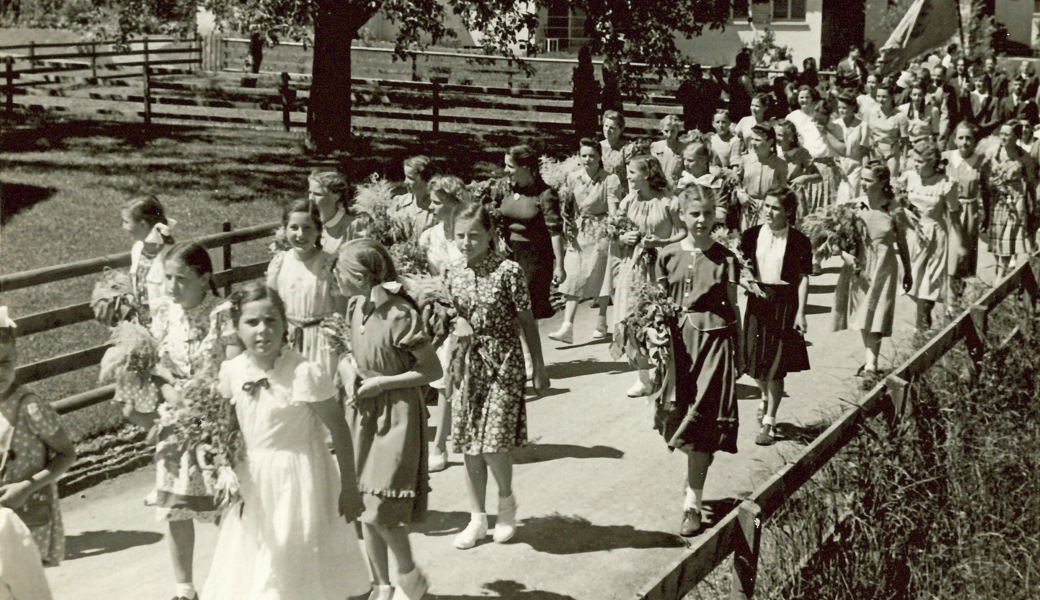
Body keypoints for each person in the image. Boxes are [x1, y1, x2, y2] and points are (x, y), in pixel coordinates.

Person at [201, 283, 371, 600]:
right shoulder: (232, 371)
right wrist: (221, 466)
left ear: (284, 325)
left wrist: (350, 486)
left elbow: (339, 429)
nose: (262, 330)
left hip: (302, 479)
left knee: (297, 562)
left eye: (271, 321)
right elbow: (224, 425)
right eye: (252, 323)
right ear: (237, 328)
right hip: (254, 480)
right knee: (258, 560)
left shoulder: (304, 372)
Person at [333, 239, 442, 600]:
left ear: (363, 278)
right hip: (361, 417)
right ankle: (382, 585)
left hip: (396, 419)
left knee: (383, 510)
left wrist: (382, 383)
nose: (335, 276)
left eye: (341, 271)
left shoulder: (398, 314)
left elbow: (430, 369)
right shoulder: (355, 307)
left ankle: (410, 578)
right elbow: (356, 353)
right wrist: (349, 368)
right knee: (364, 509)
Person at [445, 203, 548, 549]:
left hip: (504, 360)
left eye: (474, 235)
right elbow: (447, 318)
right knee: (469, 444)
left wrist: (539, 366)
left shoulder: (509, 271)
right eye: (460, 236)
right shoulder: (452, 272)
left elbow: (527, 321)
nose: (466, 242)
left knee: (493, 441)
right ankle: (477, 519)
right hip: (468, 363)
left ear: (490, 234)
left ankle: (506, 504)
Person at [149, 242, 240, 600]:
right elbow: (155, 363)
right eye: (168, 278)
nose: (172, 287)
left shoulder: (222, 313)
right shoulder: (163, 313)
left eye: (181, 279)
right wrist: (171, 392)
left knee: (223, 497)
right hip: (175, 417)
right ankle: (184, 588)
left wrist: (202, 398)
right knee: (175, 503)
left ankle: (235, 576)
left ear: (205, 278)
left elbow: (233, 362)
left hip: (213, 418)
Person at [649, 186, 741, 536]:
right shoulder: (667, 255)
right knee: (677, 416)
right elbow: (655, 307)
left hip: (715, 344)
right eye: (694, 214)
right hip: (677, 348)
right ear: (683, 215)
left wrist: (742, 353)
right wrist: (652, 341)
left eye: (708, 213)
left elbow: (734, 309)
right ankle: (694, 480)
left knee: (702, 420)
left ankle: (692, 503)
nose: (701, 220)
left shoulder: (726, 258)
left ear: (716, 214)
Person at [0, 308, 77, 568]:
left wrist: (26, 487)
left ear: (16, 356)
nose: (0, 371)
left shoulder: (29, 406)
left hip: (28, 514)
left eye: (5, 362)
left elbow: (67, 454)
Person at [738, 188, 812, 446]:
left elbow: (803, 278)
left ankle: (769, 423)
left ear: (788, 211)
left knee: (775, 369)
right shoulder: (750, 236)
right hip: (758, 303)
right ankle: (765, 396)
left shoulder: (800, 241)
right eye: (767, 206)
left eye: (775, 208)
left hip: (784, 306)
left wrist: (801, 312)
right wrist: (746, 282)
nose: (768, 212)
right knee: (757, 364)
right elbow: (740, 269)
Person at [611, 155, 686, 398]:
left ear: (646, 175)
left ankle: (666, 375)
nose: (628, 177)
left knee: (659, 321)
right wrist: (623, 238)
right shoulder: (628, 202)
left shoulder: (668, 201)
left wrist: (662, 241)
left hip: (660, 268)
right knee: (632, 319)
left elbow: (683, 232)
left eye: (632, 172)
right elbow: (617, 231)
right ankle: (642, 377)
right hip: (633, 267)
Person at [832, 160, 913, 377]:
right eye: (863, 179)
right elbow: (841, 241)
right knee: (864, 314)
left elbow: (902, 242)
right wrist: (846, 257)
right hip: (860, 267)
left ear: (882, 182)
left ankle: (871, 364)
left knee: (877, 313)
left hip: (884, 268)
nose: (864, 184)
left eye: (869, 180)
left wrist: (908, 271)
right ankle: (870, 361)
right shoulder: (856, 206)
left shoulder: (894, 208)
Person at [549, 138, 622, 345]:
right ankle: (567, 326)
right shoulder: (573, 178)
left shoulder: (610, 179)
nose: (588, 159)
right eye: (584, 155)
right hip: (578, 231)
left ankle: (601, 322)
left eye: (592, 156)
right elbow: (568, 206)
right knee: (573, 275)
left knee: (601, 274)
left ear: (600, 158)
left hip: (601, 230)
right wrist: (567, 224)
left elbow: (613, 207)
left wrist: (612, 226)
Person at [419, 175, 467, 473]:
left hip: (468, 311)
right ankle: (435, 443)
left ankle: (442, 444)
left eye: (437, 202)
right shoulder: (428, 237)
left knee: (454, 376)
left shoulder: (469, 232)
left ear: (453, 203)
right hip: (439, 314)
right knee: (441, 377)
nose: (431, 206)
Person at [266, 200, 344, 379]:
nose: (301, 234)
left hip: (323, 345)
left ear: (318, 230)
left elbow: (342, 312)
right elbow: (270, 307)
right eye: (294, 227)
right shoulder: (279, 263)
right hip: (288, 342)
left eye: (307, 227)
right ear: (284, 230)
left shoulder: (330, 264)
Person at [493, 145, 566, 332]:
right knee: (510, 308)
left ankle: (531, 357)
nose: (506, 170)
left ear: (525, 167)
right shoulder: (506, 189)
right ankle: (524, 355)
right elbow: (498, 217)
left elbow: (555, 231)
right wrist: (500, 239)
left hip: (535, 257)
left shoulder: (545, 194)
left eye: (511, 166)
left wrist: (560, 265)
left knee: (527, 310)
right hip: (510, 256)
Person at [901, 141, 963, 331]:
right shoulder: (909, 177)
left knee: (930, 284)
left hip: (937, 237)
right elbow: (898, 201)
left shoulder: (946, 184)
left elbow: (954, 216)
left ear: (932, 162)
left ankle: (922, 327)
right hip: (913, 236)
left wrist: (959, 244)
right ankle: (923, 321)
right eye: (914, 160)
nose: (915, 164)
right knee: (912, 283)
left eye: (920, 161)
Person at [986, 122, 1038, 278]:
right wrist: (992, 184)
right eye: (1001, 133)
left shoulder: (1024, 157)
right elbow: (985, 178)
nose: (1002, 137)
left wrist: (1031, 206)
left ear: (1016, 137)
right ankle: (1001, 271)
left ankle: (1001, 275)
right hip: (997, 201)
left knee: (1009, 238)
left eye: (1007, 134)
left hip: (1015, 202)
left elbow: (1031, 183)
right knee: (997, 239)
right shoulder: (993, 153)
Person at [943, 123, 988, 297]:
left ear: (974, 141)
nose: (964, 142)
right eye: (961, 137)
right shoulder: (946, 158)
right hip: (948, 213)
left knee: (964, 257)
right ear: (955, 139)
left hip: (969, 213)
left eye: (968, 138)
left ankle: (958, 298)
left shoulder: (980, 162)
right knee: (949, 256)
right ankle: (948, 299)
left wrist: (985, 216)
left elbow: (985, 190)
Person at [122, 195, 174, 326]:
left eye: (127, 222)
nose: (123, 226)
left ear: (143, 224)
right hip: (141, 323)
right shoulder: (137, 249)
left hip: (166, 324)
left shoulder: (171, 254)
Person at [737, 124, 790, 230]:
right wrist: (739, 193)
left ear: (770, 142)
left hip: (770, 211)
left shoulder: (780, 164)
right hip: (748, 211)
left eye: (757, 140)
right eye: (752, 139)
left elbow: (783, 192)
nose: (753, 143)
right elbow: (736, 181)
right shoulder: (745, 160)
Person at [308, 168, 359, 256]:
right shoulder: (306, 222)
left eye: (317, 194)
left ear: (336, 197)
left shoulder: (352, 227)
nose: (310, 198)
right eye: (310, 192)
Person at [389, 156, 439, 242]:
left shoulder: (437, 206)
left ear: (426, 180)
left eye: (410, 178)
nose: (405, 182)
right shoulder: (399, 203)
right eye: (405, 176)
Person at [866, 84, 909, 177]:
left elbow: (905, 141)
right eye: (878, 96)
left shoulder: (900, 116)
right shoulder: (871, 112)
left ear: (891, 97)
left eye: (884, 97)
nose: (881, 100)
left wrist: (904, 160)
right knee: (874, 179)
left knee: (892, 180)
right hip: (875, 152)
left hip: (892, 153)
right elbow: (865, 131)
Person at [676, 63, 717, 134]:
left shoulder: (708, 84)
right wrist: (688, 101)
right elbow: (678, 97)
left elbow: (715, 96)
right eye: (692, 74)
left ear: (700, 74)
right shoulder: (686, 84)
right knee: (690, 132)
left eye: (695, 74)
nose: (693, 77)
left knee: (705, 133)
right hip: (690, 113)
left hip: (705, 114)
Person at [571, 46, 601, 140]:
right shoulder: (588, 69)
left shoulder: (578, 70)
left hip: (581, 101)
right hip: (588, 101)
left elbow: (575, 88)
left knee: (580, 128)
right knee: (589, 128)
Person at [601, 110, 632, 195]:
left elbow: (631, 176)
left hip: (621, 193)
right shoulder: (597, 147)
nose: (607, 130)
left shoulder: (627, 149)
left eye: (612, 128)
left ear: (621, 129)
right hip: (601, 192)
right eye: (606, 126)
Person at [651, 115, 686, 187]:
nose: (669, 134)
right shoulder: (655, 146)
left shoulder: (684, 148)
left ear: (678, 130)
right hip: (658, 185)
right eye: (666, 131)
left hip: (676, 186)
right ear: (661, 130)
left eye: (673, 131)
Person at [969, 75, 1001, 139]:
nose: (978, 84)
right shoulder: (969, 97)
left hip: (985, 134)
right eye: (976, 81)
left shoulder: (993, 100)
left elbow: (995, 119)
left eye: (980, 81)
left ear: (986, 83)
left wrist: (982, 127)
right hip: (969, 132)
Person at [728, 50, 754, 122]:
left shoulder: (733, 74)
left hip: (733, 104)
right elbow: (751, 93)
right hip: (743, 107)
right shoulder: (743, 77)